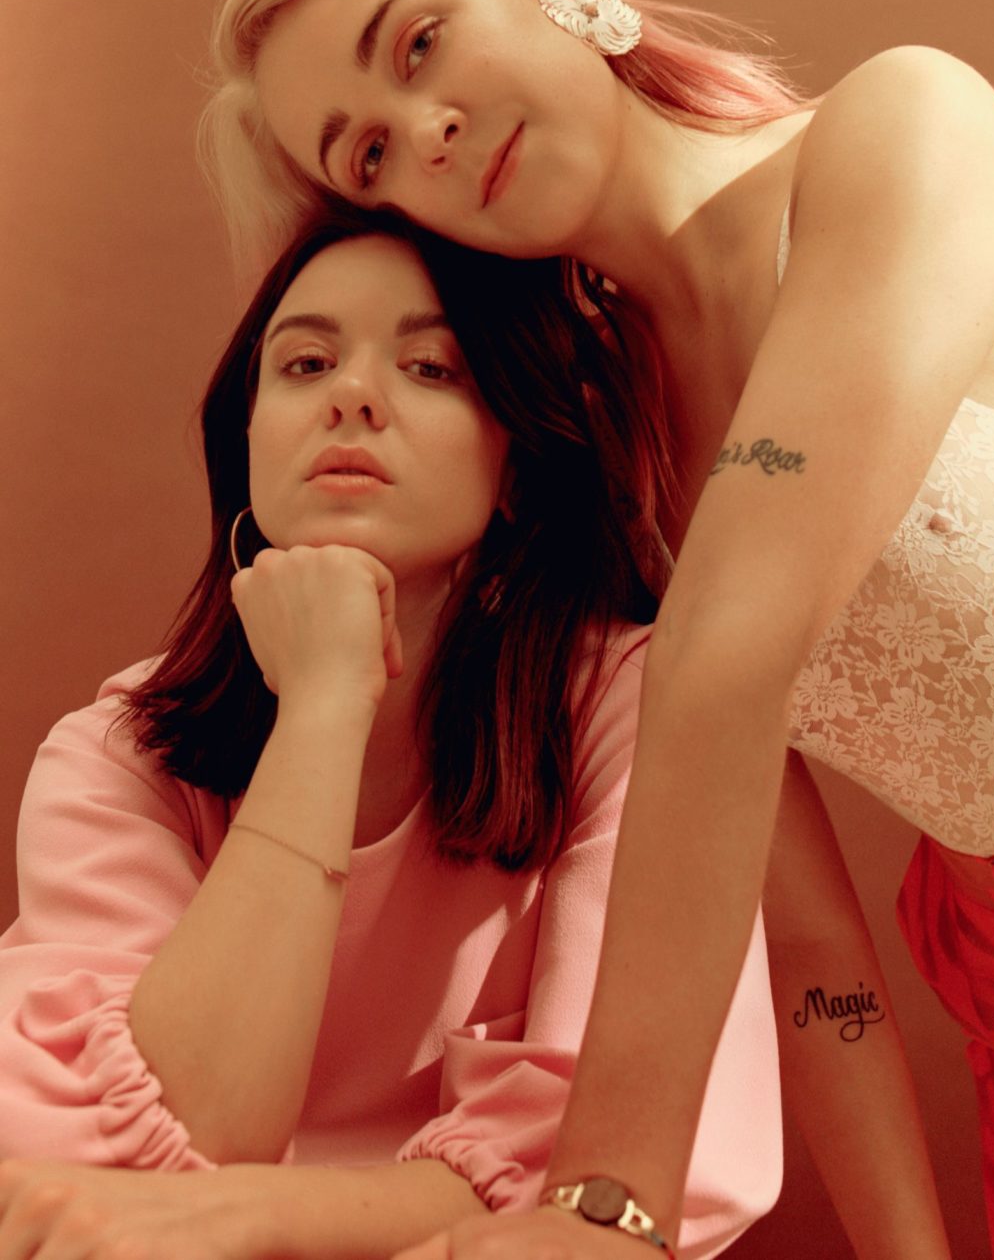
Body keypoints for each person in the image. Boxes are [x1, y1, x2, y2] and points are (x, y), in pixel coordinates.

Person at [196, 0, 994, 1260]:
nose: (425, 134)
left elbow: (729, 655)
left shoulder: (901, 128)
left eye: (419, 44)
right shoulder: (610, 440)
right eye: (369, 154)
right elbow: (808, 947)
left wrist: (606, 1196)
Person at [0, 215, 780, 1260]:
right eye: (305, 363)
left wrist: (253, 1217)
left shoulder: (628, 707)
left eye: (431, 367)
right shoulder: (120, 754)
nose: (352, 395)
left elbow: (620, 1177)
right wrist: (325, 704)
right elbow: (134, 1151)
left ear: (515, 464)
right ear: (248, 442)